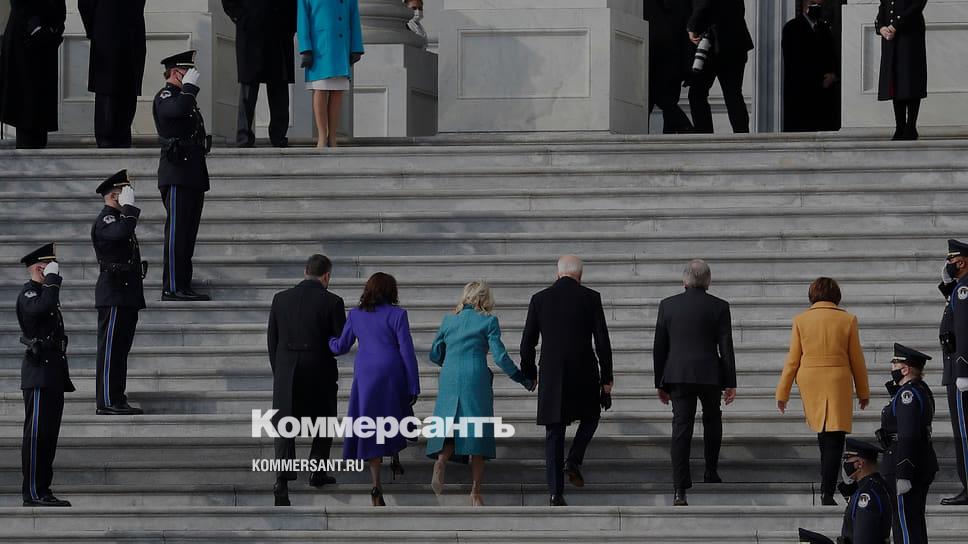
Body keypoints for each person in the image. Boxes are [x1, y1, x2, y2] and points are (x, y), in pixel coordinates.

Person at [426, 281, 535, 506]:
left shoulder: (448, 320)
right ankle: (475, 493)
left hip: (450, 375)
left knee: (451, 426)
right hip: (475, 377)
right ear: (485, 299)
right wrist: (522, 379)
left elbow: (435, 353)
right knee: (477, 432)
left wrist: (451, 360)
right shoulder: (488, 321)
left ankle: (441, 461)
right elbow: (500, 357)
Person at [520, 255, 613, 506]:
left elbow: (527, 342)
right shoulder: (591, 298)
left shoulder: (539, 299)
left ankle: (555, 493)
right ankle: (573, 459)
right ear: (580, 275)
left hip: (552, 372)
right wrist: (607, 378)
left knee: (554, 431)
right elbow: (602, 341)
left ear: (557, 273)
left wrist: (529, 373)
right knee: (591, 417)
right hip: (584, 369)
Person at [776, 277, 870, 506]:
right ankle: (827, 491)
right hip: (838, 379)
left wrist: (782, 392)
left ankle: (827, 485)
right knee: (835, 436)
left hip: (811, 379)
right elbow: (857, 359)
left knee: (823, 431)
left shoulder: (801, 320)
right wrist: (863, 391)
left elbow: (792, 360)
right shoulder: (847, 319)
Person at [329, 272, 419, 507]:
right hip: (391, 369)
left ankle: (376, 483)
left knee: (370, 423)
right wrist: (413, 384)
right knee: (393, 413)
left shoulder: (356, 314)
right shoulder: (398, 314)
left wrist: (326, 340)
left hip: (366, 374)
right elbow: (407, 351)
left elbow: (341, 346)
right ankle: (395, 457)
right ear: (391, 291)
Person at [653, 259, 737, 507]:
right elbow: (726, 347)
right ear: (708, 281)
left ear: (684, 280)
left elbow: (660, 347)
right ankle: (711, 470)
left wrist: (660, 382)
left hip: (678, 374)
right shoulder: (720, 306)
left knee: (681, 427)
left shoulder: (668, 305)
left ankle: (679, 488)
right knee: (712, 419)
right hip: (710, 373)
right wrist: (730, 381)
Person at [267, 254, 346, 506]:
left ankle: (282, 479)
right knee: (324, 418)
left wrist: (279, 371)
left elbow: (272, 339)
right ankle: (317, 470)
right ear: (327, 276)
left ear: (305, 271)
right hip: (318, 367)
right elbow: (340, 342)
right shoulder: (333, 301)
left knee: (284, 424)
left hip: (286, 368)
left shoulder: (280, 299)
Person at [17, 243, 74, 507]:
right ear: (40, 268)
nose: (53, 271)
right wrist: (51, 280)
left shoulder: (43, 293)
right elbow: (42, 308)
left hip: (52, 372)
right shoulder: (30, 294)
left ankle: (43, 489)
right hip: (38, 373)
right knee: (37, 437)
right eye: (49, 267)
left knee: (49, 437)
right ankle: (33, 492)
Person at [152, 50, 211, 302]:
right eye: (187, 71)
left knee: (188, 234)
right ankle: (172, 287)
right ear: (176, 72)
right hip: (176, 172)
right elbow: (176, 111)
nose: (192, 75)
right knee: (177, 234)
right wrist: (188, 89)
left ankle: (184, 283)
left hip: (192, 172)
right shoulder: (167, 95)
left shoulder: (185, 97)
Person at [91, 170, 146, 416]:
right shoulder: (107, 220)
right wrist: (130, 209)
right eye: (124, 193)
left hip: (125, 293)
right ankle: (106, 400)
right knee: (110, 350)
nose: (128, 198)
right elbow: (120, 234)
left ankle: (117, 396)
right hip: (113, 293)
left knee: (121, 351)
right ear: (114, 196)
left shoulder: (119, 219)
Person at [877, 343, 937, 544]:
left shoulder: (907, 395)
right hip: (916, 462)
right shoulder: (919, 389)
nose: (891, 369)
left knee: (904, 525)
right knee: (912, 523)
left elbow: (908, 434)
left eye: (894, 365)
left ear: (905, 370)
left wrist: (904, 472)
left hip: (904, 465)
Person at [222, 0, 297, 148]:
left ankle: (279, 136)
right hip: (251, 31)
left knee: (279, 88)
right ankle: (243, 136)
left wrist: (291, 25)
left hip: (279, 31)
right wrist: (241, 17)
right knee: (248, 88)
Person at [78, 0, 147, 148]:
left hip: (131, 35)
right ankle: (107, 143)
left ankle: (121, 141)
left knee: (127, 96)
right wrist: (96, 29)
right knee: (108, 95)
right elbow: (85, 4)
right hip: (108, 33)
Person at [797, 438, 893, 544]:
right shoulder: (872, 486)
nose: (845, 464)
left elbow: (864, 536)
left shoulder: (867, 494)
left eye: (847, 460)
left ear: (859, 464)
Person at [297, 0, 364, 148]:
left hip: (341, 45)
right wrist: (305, 48)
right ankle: (322, 136)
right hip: (319, 47)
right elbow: (302, 19)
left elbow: (354, 16)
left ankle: (332, 136)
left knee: (337, 91)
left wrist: (356, 46)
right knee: (320, 89)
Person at [0, 0, 66, 149]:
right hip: (24, 41)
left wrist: (56, 27)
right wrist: (36, 28)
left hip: (46, 43)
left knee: (40, 116)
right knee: (26, 114)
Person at [686, 0, 754, 133]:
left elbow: (704, 4)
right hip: (736, 43)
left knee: (697, 93)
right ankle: (742, 136)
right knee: (733, 94)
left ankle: (704, 136)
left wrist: (692, 26)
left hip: (713, 43)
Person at [781, 0, 839, 133]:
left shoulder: (824, 29)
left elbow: (833, 57)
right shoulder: (792, 28)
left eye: (820, 4)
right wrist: (819, 79)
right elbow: (794, 63)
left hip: (824, 101)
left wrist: (834, 76)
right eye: (813, 3)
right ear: (804, 5)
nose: (817, 7)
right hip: (801, 97)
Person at [940, 238, 968, 505]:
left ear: (961, 262)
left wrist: (962, 369)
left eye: (950, 260)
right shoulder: (960, 288)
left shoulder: (964, 290)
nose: (947, 264)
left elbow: (963, 330)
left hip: (961, 371)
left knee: (964, 433)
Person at [875, 0, 928, 140]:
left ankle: (911, 127)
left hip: (910, 36)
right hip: (890, 38)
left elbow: (917, 5)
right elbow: (883, 8)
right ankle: (900, 127)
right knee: (895, 80)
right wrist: (881, 27)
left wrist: (895, 25)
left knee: (911, 80)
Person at [643, 0, 694, 134]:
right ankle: (683, 129)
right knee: (665, 101)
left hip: (653, 58)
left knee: (658, 101)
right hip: (672, 58)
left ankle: (685, 128)